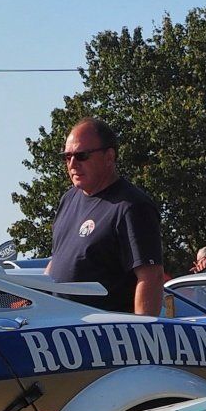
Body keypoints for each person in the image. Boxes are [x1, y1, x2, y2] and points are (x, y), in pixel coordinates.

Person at [46, 118, 166, 316]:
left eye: (81, 155)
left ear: (109, 157)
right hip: (61, 329)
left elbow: (151, 277)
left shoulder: (131, 206)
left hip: (104, 334)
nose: (73, 164)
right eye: (67, 157)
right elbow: (57, 261)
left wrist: (142, 336)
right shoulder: (69, 199)